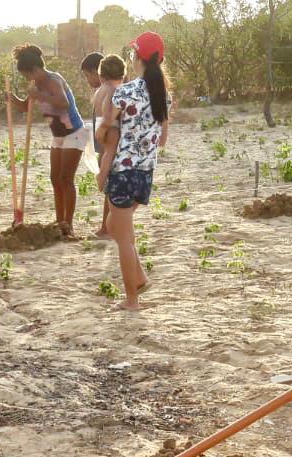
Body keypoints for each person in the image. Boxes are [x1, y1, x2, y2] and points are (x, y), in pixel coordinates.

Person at [97, 33, 171, 311]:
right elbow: (162, 140)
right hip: (145, 174)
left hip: (122, 173)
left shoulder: (124, 93)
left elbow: (106, 129)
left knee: (124, 240)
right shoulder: (164, 95)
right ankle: (138, 279)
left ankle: (131, 300)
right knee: (116, 227)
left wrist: (104, 131)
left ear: (137, 57)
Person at [10, 44, 89, 238]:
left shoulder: (54, 80)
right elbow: (25, 107)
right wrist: (11, 98)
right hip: (58, 136)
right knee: (55, 179)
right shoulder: (36, 86)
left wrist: (40, 95)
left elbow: (64, 103)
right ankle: (59, 219)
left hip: (74, 133)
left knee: (65, 178)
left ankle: (67, 225)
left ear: (35, 69)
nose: (27, 79)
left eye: (28, 75)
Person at [90, 54, 126, 240]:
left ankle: (106, 225)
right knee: (112, 185)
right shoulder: (115, 90)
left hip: (100, 129)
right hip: (111, 129)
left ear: (101, 74)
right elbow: (109, 113)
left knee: (109, 182)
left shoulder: (99, 90)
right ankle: (107, 226)